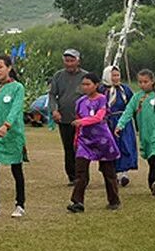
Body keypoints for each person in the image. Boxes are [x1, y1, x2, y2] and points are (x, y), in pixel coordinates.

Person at [67, 73, 121, 212]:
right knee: (80, 172)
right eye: (83, 84)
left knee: (108, 172)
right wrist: (76, 140)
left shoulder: (102, 99)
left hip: (102, 140)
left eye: (88, 84)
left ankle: (114, 200)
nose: (85, 87)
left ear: (96, 85)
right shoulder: (80, 102)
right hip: (84, 141)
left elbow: (99, 117)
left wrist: (82, 122)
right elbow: (78, 120)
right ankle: (77, 202)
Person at [0, 55, 26, 220]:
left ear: (9, 68)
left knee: (16, 169)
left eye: (1, 67)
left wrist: (7, 125)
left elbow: (16, 109)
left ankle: (20, 204)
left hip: (13, 135)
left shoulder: (17, 88)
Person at [48, 49, 87, 185]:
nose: (69, 64)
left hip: (82, 119)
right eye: (67, 60)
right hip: (64, 118)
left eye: (72, 60)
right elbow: (52, 95)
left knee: (81, 148)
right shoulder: (58, 76)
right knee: (68, 148)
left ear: (78, 61)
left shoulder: (85, 76)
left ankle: (82, 176)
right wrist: (54, 110)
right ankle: (72, 176)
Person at [104, 66, 138, 186]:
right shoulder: (103, 90)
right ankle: (112, 172)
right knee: (112, 147)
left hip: (124, 122)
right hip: (109, 122)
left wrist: (137, 123)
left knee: (125, 145)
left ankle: (123, 173)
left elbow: (133, 106)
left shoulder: (125, 90)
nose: (116, 78)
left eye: (118, 75)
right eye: (113, 75)